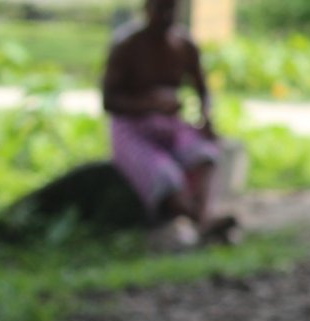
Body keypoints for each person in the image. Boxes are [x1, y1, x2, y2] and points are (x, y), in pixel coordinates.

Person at [101, 0, 237, 247]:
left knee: (204, 154)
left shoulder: (183, 45)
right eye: (160, 8)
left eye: (170, 9)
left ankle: (203, 215)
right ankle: (199, 220)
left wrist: (206, 120)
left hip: (171, 126)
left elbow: (202, 90)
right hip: (132, 129)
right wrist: (148, 104)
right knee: (164, 174)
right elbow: (109, 101)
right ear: (146, 8)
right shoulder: (126, 46)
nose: (165, 15)